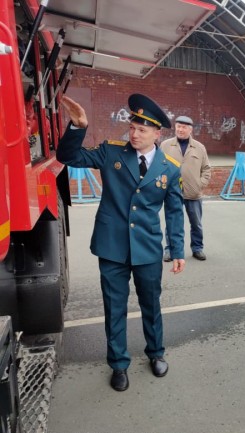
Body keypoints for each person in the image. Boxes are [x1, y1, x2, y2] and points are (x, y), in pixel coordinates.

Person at [57, 94, 185, 392]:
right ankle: (118, 364)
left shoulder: (169, 167)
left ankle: (156, 353)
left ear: (157, 133)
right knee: (115, 307)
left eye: (142, 129)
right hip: (112, 246)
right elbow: (69, 158)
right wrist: (78, 126)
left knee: (150, 304)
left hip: (148, 249)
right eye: (132, 127)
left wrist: (177, 250)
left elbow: (175, 213)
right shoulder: (111, 152)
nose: (134, 133)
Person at [161, 115, 210, 261]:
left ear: (190, 130)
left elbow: (206, 169)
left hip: (193, 193)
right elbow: (159, 166)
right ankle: (170, 250)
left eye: (184, 127)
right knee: (172, 223)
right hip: (172, 193)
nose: (180, 130)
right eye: (178, 127)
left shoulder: (199, 147)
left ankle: (197, 248)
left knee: (196, 223)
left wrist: (200, 184)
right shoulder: (165, 145)